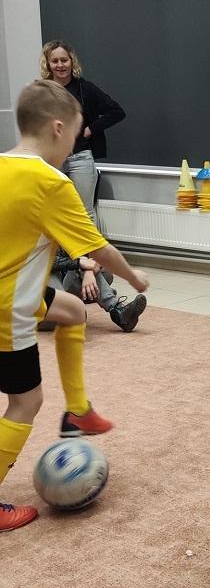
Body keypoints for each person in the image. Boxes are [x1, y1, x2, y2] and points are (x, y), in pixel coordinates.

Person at [0, 79, 149, 532]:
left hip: (11, 290)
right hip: (8, 307)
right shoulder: (51, 182)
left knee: (73, 311)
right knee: (26, 401)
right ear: (58, 128)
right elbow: (98, 248)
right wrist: (133, 278)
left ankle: (78, 411)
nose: (72, 147)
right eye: (74, 134)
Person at [40, 40, 126, 223]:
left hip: (80, 157)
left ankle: (88, 244)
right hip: (52, 159)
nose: (60, 65)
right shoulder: (42, 90)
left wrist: (91, 128)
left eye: (64, 60)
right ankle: (61, 244)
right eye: (54, 61)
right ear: (47, 64)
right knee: (55, 212)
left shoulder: (84, 88)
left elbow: (116, 111)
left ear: (72, 61)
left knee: (84, 213)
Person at [51, 247, 148, 333]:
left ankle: (117, 309)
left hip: (69, 282)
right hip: (51, 287)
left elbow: (95, 254)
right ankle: (83, 304)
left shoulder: (74, 233)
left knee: (106, 274)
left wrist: (88, 271)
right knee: (81, 265)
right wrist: (80, 263)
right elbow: (47, 261)